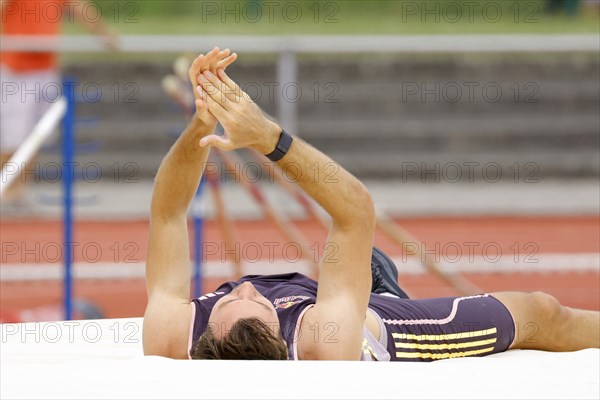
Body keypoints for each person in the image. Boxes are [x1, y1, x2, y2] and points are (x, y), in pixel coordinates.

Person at [143, 48, 600, 361]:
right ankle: (381, 293)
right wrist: (268, 138)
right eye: (257, 303)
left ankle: (366, 279)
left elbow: (167, 211)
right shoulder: (325, 341)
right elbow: (356, 212)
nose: (245, 289)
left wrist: (202, 124)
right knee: (540, 311)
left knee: (344, 277)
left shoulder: (172, 333)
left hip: (316, 301)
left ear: (202, 337)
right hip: (370, 326)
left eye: (228, 300)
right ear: (284, 333)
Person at [0, 0, 117, 203]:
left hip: (45, 68)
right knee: (12, 137)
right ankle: (6, 188)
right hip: (15, 70)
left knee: (37, 134)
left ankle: (17, 193)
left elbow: (80, 7)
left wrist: (103, 33)